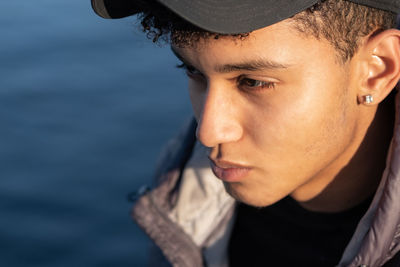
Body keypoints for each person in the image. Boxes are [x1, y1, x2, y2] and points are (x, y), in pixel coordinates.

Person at [91, 0, 400, 266]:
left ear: (377, 70)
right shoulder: (182, 203)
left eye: (253, 82)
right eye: (193, 71)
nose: (209, 133)